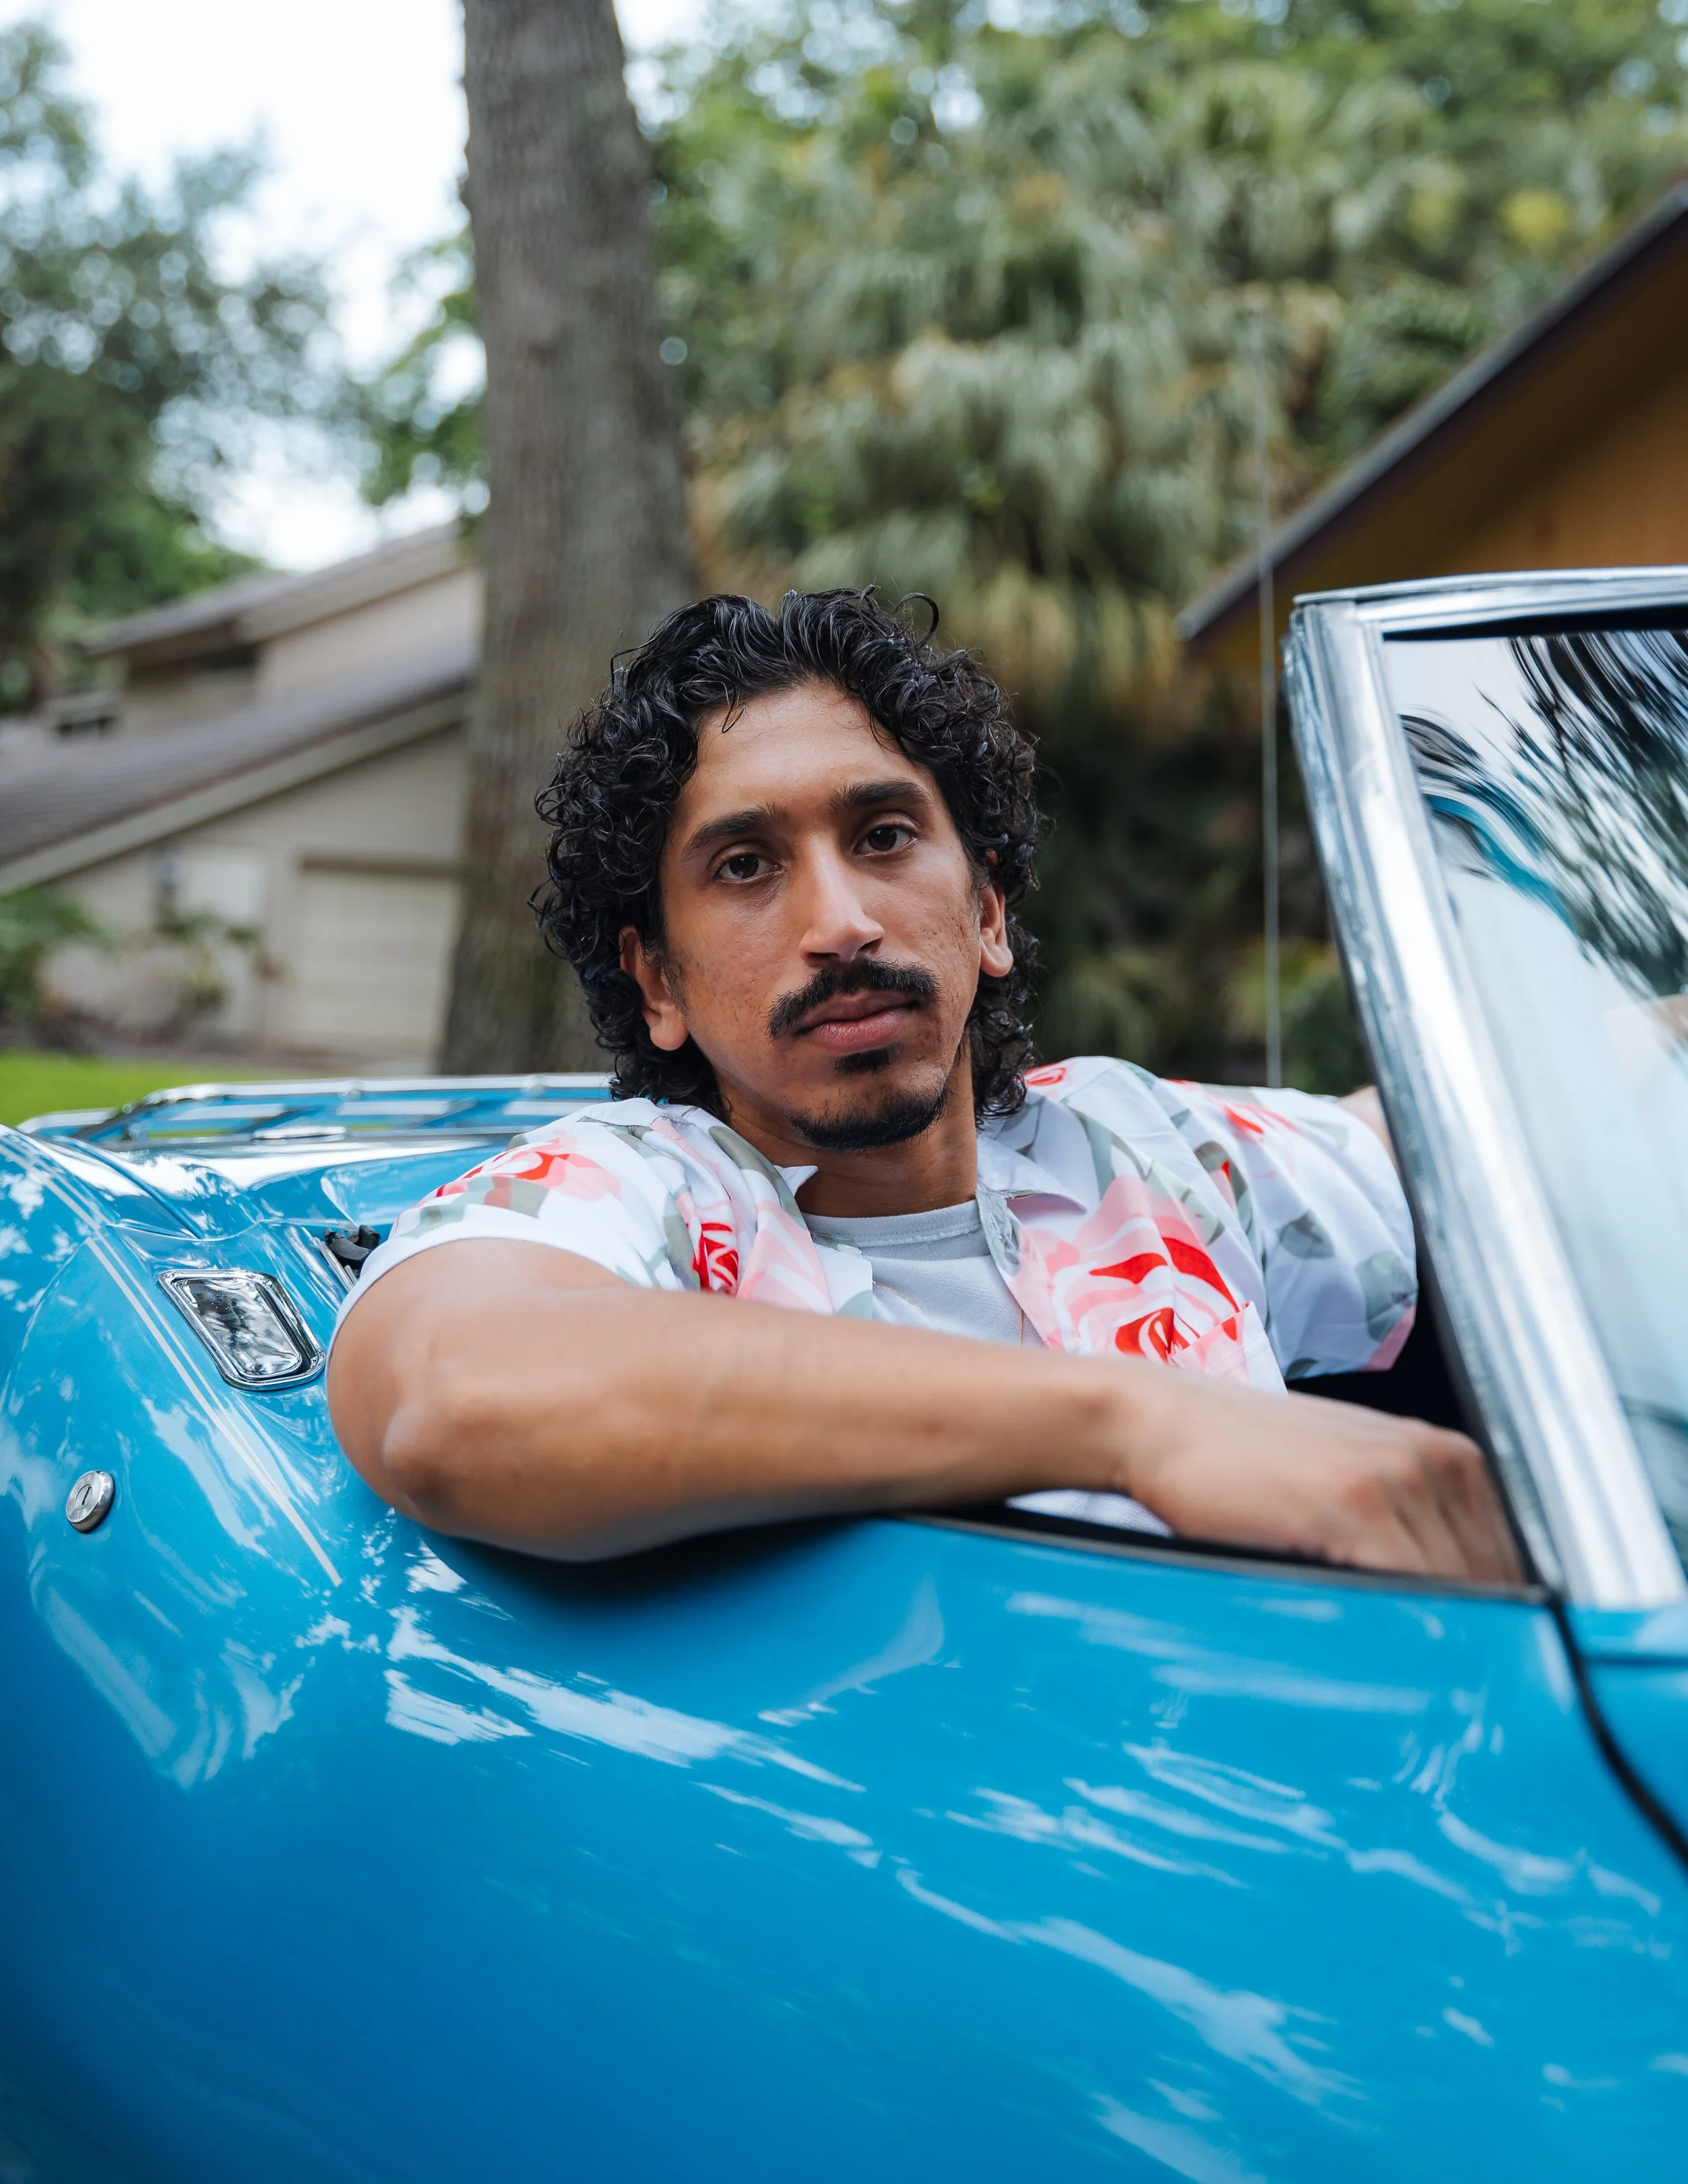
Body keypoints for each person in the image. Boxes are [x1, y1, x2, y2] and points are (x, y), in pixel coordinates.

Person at [327, 589, 1519, 1582]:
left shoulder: (1139, 1143)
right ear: (658, 982)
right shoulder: (634, 1189)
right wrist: (1140, 1421)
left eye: (885, 836)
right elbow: (455, 1400)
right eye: (745, 866)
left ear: (988, 909)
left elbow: (1510, 1122)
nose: (841, 923)